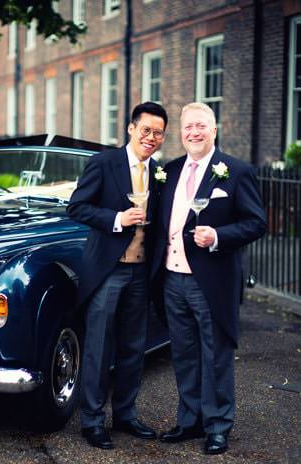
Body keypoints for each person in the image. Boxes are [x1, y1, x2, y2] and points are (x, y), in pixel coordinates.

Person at [150, 102, 266, 455]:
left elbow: (256, 222)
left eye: (200, 126)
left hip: (210, 282)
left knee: (215, 355)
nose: (194, 132)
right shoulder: (168, 171)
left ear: (213, 130)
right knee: (183, 355)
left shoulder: (235, 171)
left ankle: (217, 426)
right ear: (181, 133)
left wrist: (217, 236)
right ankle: (190, 421)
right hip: (172, 279)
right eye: (188, 127)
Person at [67, 101, 168, 449]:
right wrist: (117, 219)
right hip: (108, 271)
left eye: (158, 133)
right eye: (146, 130)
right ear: (131, 128)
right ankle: (92, 421)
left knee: (133, 347)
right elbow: (77, 207)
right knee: (98, 347)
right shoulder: (104, 163)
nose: (151, 137)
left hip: (141, 272)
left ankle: (125, 415)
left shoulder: (159, 172)